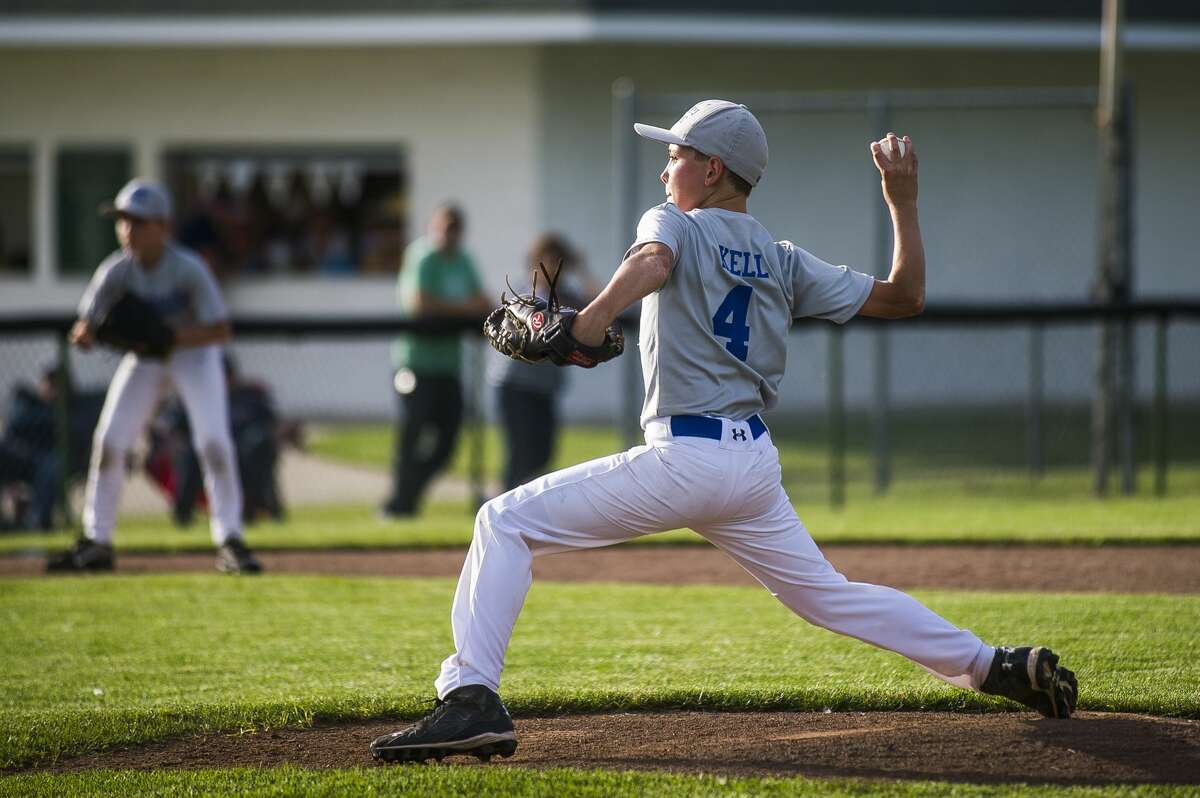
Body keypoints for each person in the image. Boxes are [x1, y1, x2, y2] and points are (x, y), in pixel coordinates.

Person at [369, 101, 1079, 764]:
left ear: (712, 169)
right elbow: (906, 295)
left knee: (504, 521)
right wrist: (903, 203)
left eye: (676, 153)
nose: (664, 167)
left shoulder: (673, 222)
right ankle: (996, 666)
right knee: (828, 595)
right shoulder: (782, 258)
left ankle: (470, 697)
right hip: (751, 466)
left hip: (689, 458)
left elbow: (652, 262)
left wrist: (586, 323)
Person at [47, 178, 261, 574]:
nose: (128, 229)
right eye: (123, 221)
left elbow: (221, 329)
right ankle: (98, 540)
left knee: (214, 442)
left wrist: (170, 335)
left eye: (139, 222)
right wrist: (87, 333)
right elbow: (84, 325)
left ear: (164, 226)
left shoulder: (188, 268)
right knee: (111, 441)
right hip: (146, 360)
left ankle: (230, 539)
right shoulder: (116, 270)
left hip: (194, 357)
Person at [380, 204, 490, 518]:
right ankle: (400, 503)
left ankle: (405, 498)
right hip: (415, 364)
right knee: (411, 437)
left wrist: (459, 308)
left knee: (447, 445)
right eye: (444, 226)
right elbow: (421, 304)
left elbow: (483, 301)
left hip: (448, 368)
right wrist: (465, 309)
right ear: (433, 226)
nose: (449, 233)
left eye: (455, 227)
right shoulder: (422, 256)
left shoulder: (464, 259)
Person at [487, 234, 600, 491]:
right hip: (514, 384)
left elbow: (603, 306)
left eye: (559, 260)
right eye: (548, 259)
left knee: (543, 453)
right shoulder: (528, 291)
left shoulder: (568, 296)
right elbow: (540, 307)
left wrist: (582, 269)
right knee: (520, 451)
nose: (552, 265)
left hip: (545, 387)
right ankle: (501, 505)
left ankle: (521, 505)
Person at [0, 367, 61, 531]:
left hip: (40, 461)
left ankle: (37, 522)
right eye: (49, 383)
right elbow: (15, 420)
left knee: (51, 466)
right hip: (14, 454)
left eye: (56, 385)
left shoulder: (65, 409)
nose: (51, 389)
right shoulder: (25, 398)